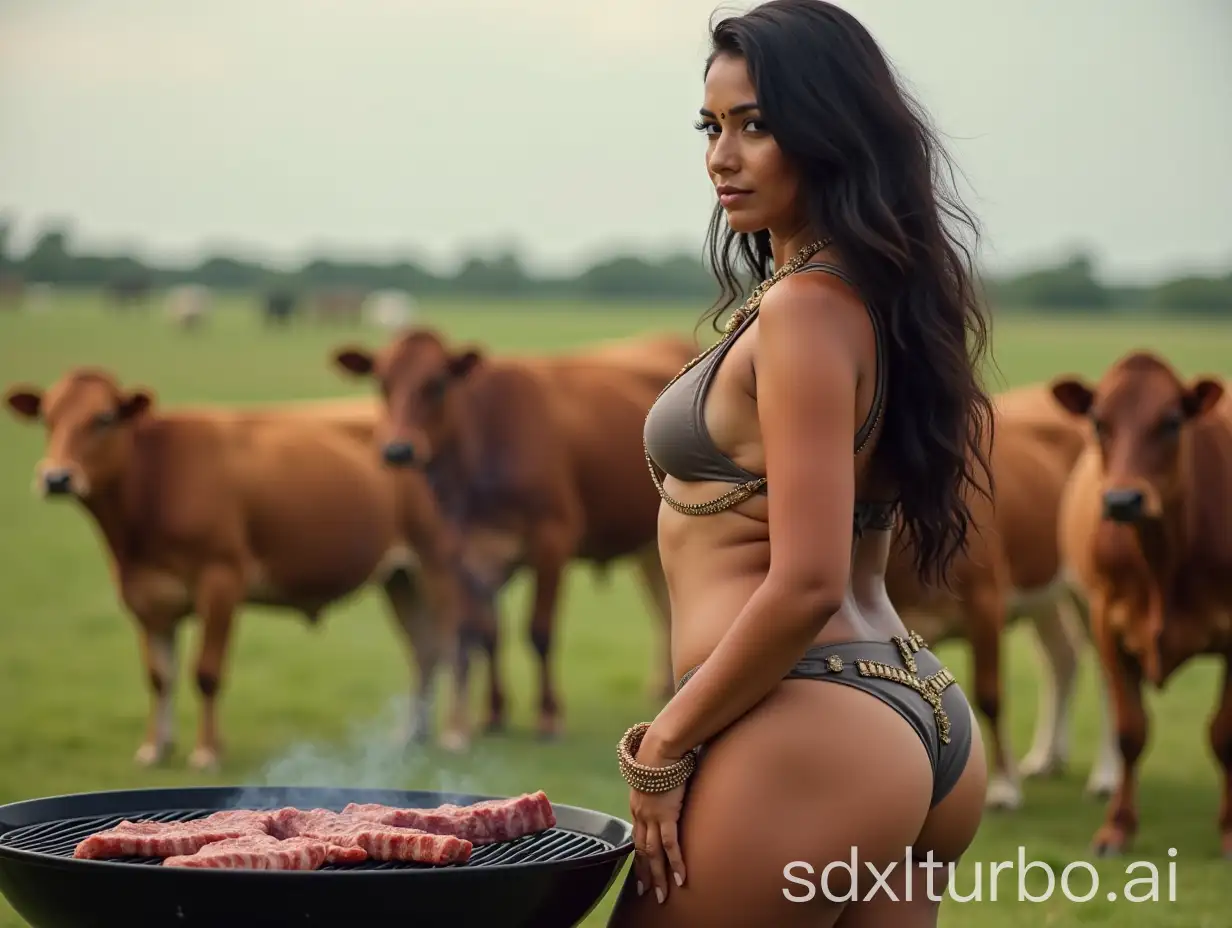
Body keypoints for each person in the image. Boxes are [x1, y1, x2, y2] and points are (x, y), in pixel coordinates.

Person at [605, 2, 995, 925]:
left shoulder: (805, 312)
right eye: (712, 126)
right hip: (913, 712)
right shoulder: (873, 296)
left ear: (830, 132)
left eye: (758, 125)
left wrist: (663, 743)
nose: (722, 156)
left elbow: (809, 578)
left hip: (812, 730)